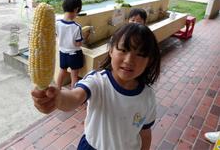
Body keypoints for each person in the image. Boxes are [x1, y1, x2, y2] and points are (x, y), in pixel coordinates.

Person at [31, 23, 161, 150]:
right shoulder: (98, 81)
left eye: (140, 54)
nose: (129, 60)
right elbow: (75, 97)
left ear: (149, 60)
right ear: (110, 50)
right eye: (123, 50)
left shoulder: (148, 96)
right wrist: (57, 99)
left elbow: (145, 132)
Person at [56, 0, 84, 89]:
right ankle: (73, 94)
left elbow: (56, 36)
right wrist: (83, 39)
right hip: (74, 55)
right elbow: (78, 43)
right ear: (76, 9)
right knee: (74, 76)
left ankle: (57, 89)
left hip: (62, 53)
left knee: (62, 71)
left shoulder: (57, 23)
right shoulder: (77, 26)